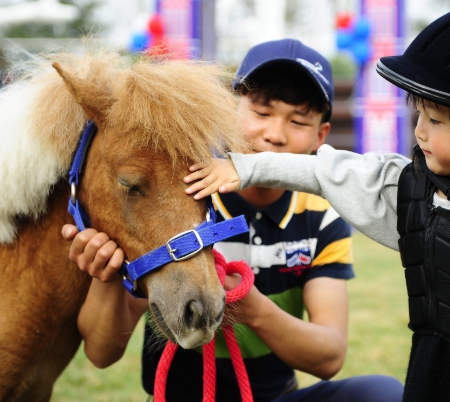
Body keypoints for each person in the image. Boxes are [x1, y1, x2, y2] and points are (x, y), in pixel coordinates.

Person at [183, 5, 450, 401]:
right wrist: (245, 169)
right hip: (432, 367)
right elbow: (328, 173)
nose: (420, 133)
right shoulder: (410, 191)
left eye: (435, 120)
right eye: (418, 116)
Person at [63, 39, 405, 402]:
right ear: (227, 109)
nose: (275, 134)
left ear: (321, 135)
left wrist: (254, 310)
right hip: (181, 396)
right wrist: (108, 277)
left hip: (276, 396)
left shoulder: (321, 215)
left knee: (381, 394)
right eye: (261, 112)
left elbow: (329, 355)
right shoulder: (178, 195)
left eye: (298, 120)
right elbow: (101, 355)